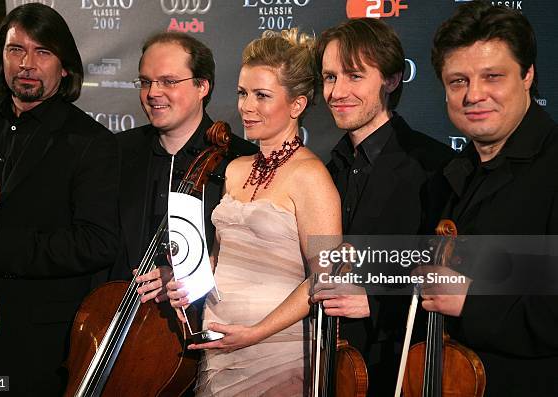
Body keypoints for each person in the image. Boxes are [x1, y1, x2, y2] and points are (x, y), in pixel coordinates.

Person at [0, 3, 119, 395]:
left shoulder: (91, 143)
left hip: (34, 342)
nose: (26, 63)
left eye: (42, 52)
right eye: (15, 50)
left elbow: (97, 243)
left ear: (65, 67)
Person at [167, 29, 341, 396]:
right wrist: (188, 281)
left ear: (296, 105)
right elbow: (220, 257)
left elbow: (325, 277)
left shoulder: (311, 177)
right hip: (220, 348)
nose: (247, 106)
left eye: (262, 95)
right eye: (243, 93)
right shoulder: (233, 168)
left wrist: (255, 333)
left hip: (278, 354)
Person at [422, 1, 558, 395]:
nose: (474, 95)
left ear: (528, 75)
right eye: (458, 81)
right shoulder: (446, 178)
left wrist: (471, 301)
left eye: (492, 77)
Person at [312, 18, 454, 395]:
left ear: (391, 80)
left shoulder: (433, 166)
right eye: (329, 77)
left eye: (354, 76)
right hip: (325, 369)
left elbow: (452, 278)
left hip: (395, 371)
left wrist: (374, 299)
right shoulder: (326, 170)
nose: (337, 91)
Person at [114, 32, 257, 293]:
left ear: (202, 86)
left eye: (168, 82)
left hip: (207, 321)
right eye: (146, 82)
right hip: (120, 314)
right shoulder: (117, 151)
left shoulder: (240, 159)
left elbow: (251, 262)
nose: (153, 93)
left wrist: (189, 276)